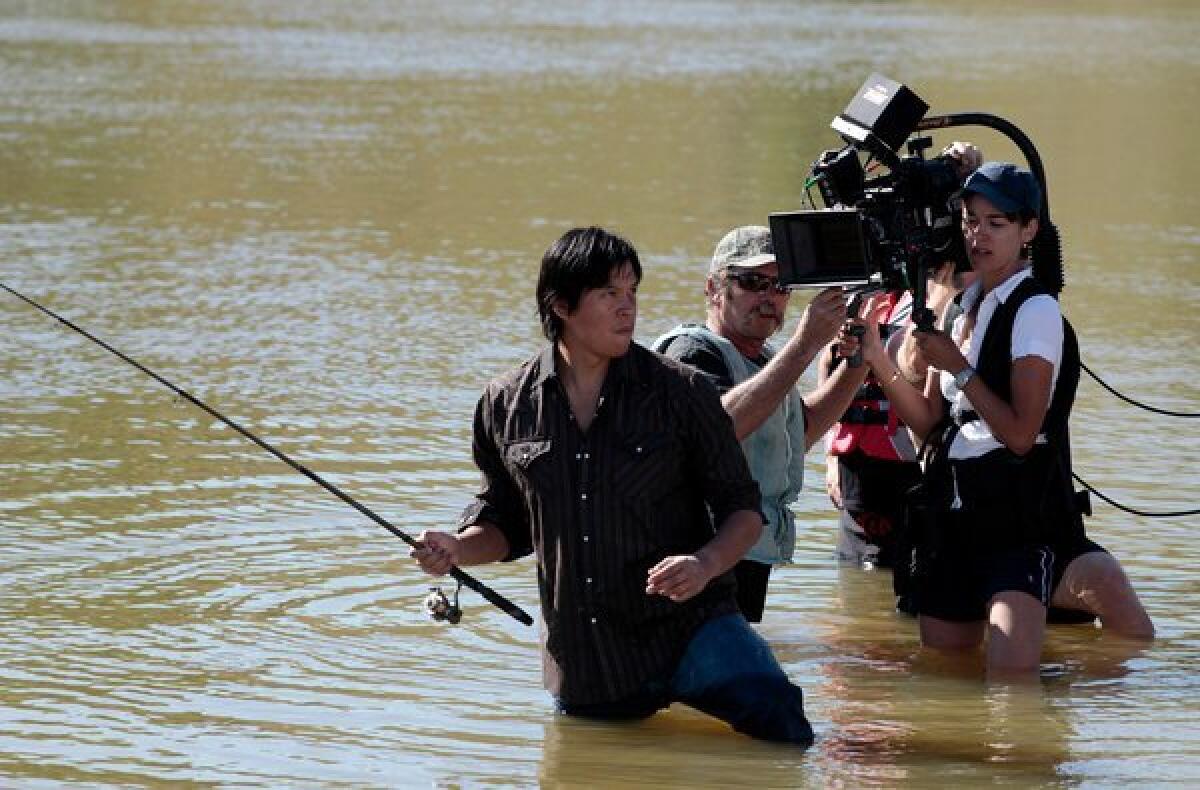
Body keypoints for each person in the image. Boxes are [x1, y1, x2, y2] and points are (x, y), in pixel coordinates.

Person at [412, 226, 815, 745]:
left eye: (633, 293)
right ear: (560, 305)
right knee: (595, 764)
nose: (629, 309)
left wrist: (706, 564)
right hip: (589, 657)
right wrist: (457, 549)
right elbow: (509, 523)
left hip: (693, 629)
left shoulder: (682, 392)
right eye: (610, 294)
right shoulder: (505, 404)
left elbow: (743, 511)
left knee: (786, 726)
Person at [848, 161, 1083, 676]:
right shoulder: (960, 306)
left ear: (1029, 231)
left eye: (996, 223)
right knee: (942, 680)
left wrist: (959, 364)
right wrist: (878, 360)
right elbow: (931, 422)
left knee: (1010, 684)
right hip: (949, 520)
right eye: (971, 220)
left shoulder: (1035, 310)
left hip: (1013, 524)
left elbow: (1022, 435)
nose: (978, 235)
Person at [653, 226, 861, 622]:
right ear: (714, 289)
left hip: (741, 549)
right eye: (752, 282)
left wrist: (858, 364)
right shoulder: (692, 352)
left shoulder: (764, 360)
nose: (769, 298)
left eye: (781, 286)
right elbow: (717, 432)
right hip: (695, 553)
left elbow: (797, 435)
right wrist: (805, 346)